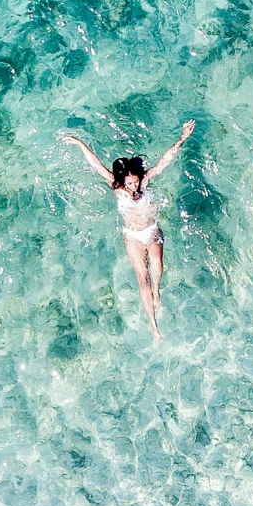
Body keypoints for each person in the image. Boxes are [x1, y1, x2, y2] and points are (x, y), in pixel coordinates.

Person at [59, 121, 195, 341]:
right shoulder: (117, 188)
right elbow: (95, 164)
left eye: (136, 181)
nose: (134, 187)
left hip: (151, 229)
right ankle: (154, 326)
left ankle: (157, 291)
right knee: (143, 280)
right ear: (122, 182)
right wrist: (78, 143)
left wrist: (182, 138)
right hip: (132, 235)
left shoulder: (146, 181)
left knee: (157, 265)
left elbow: (165, 160)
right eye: (130, 183)